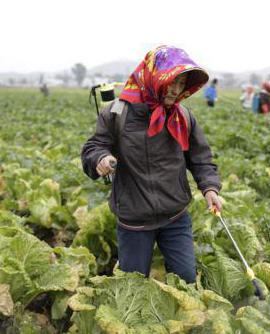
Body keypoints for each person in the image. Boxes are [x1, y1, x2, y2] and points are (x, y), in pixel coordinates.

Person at [81, 46, 223, 284]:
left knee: (186, 279)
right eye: (171, 82)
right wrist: (101, 159)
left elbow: (201, 159)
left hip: (175, 215)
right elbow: (93, 148)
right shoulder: (117, 114)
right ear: (154, 77)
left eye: (182, 84)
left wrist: (210, 188)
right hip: (134, 219)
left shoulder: (182, 117)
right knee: (133, 286)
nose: (176, 90)